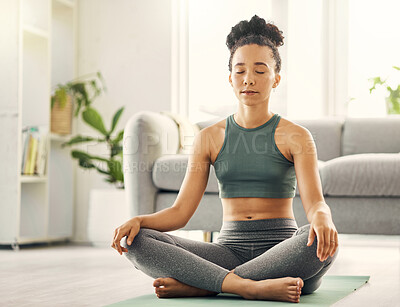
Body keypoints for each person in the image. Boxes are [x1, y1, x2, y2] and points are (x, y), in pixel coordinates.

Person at [111, 15, 339, 303]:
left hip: (283, 250)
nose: (249, 79)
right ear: (230, 77)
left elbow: (315, 202)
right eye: (240, 70)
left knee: (318, 240)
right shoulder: (209, 137)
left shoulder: (296, 136)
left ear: (276, 79)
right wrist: (139, 220)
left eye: (260, 70)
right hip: (227, 249)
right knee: (138, 242)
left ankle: (207, 284)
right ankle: (249, 286)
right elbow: (180, 212)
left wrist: (324, 218)